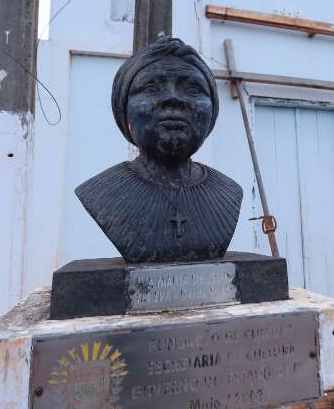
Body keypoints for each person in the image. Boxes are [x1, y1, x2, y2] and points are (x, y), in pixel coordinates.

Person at [75, 37, 242, 263]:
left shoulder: (229, 192)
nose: (173, 98)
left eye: (193, 89)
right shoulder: (99, 192)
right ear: (124, 110)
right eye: (151, 88)